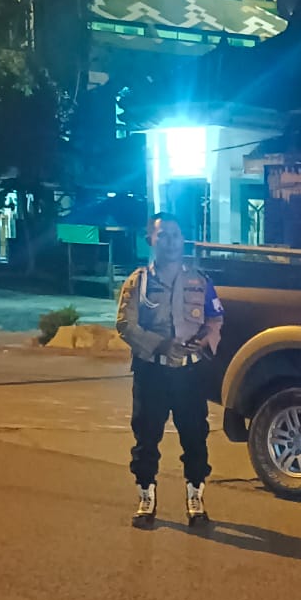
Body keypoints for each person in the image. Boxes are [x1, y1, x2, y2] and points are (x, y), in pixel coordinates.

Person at [116, 213, 223, 525]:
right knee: (146, 438)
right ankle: (146, 497)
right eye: (163, 235)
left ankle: (195, 497)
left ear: (182, 240)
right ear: (150, 239)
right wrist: (161, 345)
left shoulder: (200, 281)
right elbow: (125, 325)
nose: (171, 241)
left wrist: (204, 340)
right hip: (152, 373)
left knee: (195, 437)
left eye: (176, 235)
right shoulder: (138, 282)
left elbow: (215, 319)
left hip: (190, 374)